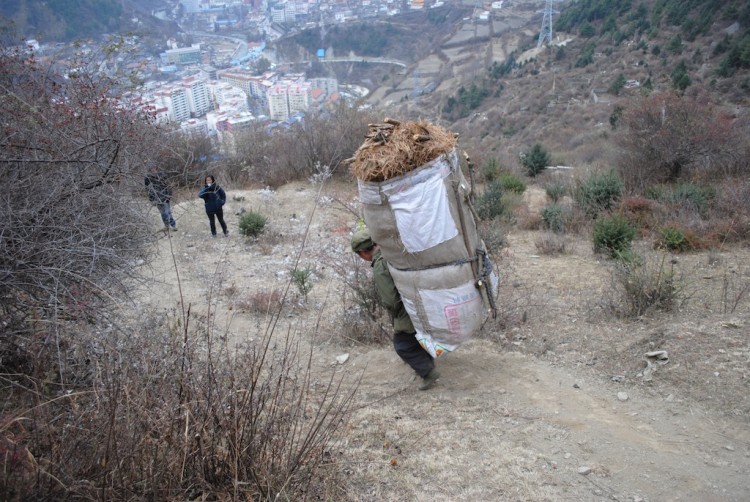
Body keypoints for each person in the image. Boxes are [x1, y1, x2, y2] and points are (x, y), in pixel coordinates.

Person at [351, 229, 440, 390]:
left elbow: (390, 300)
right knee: (417, 338)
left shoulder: (380, 266)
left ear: (363, 252)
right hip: (424, 302)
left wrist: (395, 314)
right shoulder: (394, 253)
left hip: (407, 310)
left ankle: (428, 373)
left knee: (402, 346)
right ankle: (427, 363)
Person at [144, 166, 177, 231]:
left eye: (154, 168)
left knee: (167, 212)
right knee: (162, 213)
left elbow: (168, 186)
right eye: (151, 169)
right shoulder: (148, 178)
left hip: (165, 197)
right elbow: (147, 189)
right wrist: (151, 199)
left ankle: (173, 225)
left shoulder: (162, 176)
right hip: (156, 198)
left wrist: (169, 196)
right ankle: (166, 226)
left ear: (157, 169)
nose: (153, 170)